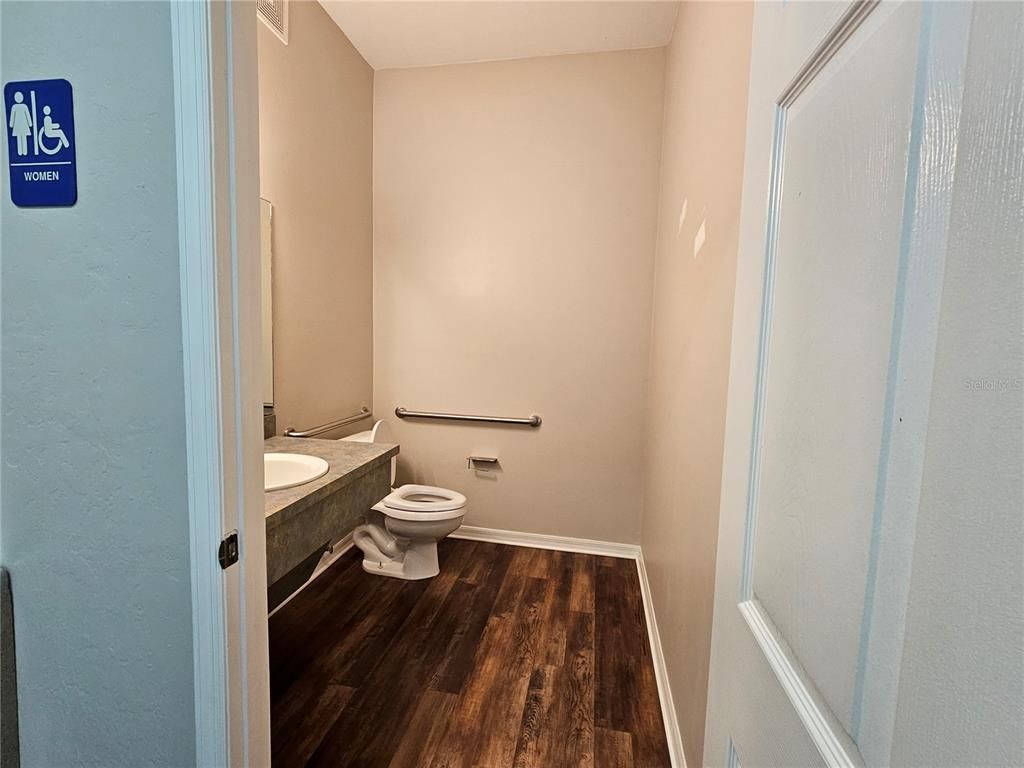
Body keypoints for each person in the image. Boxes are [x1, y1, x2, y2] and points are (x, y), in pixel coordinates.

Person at [8, 91, 32, 157]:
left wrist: (30, 123)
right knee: (20, 138)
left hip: (22, 125)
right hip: (19, 126)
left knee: (23, 138)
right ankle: (21, 152)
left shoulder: (23, 106)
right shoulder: (15, 107)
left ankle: (24, 152)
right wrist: (11, 124)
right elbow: (12, 116)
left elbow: (27, 115)